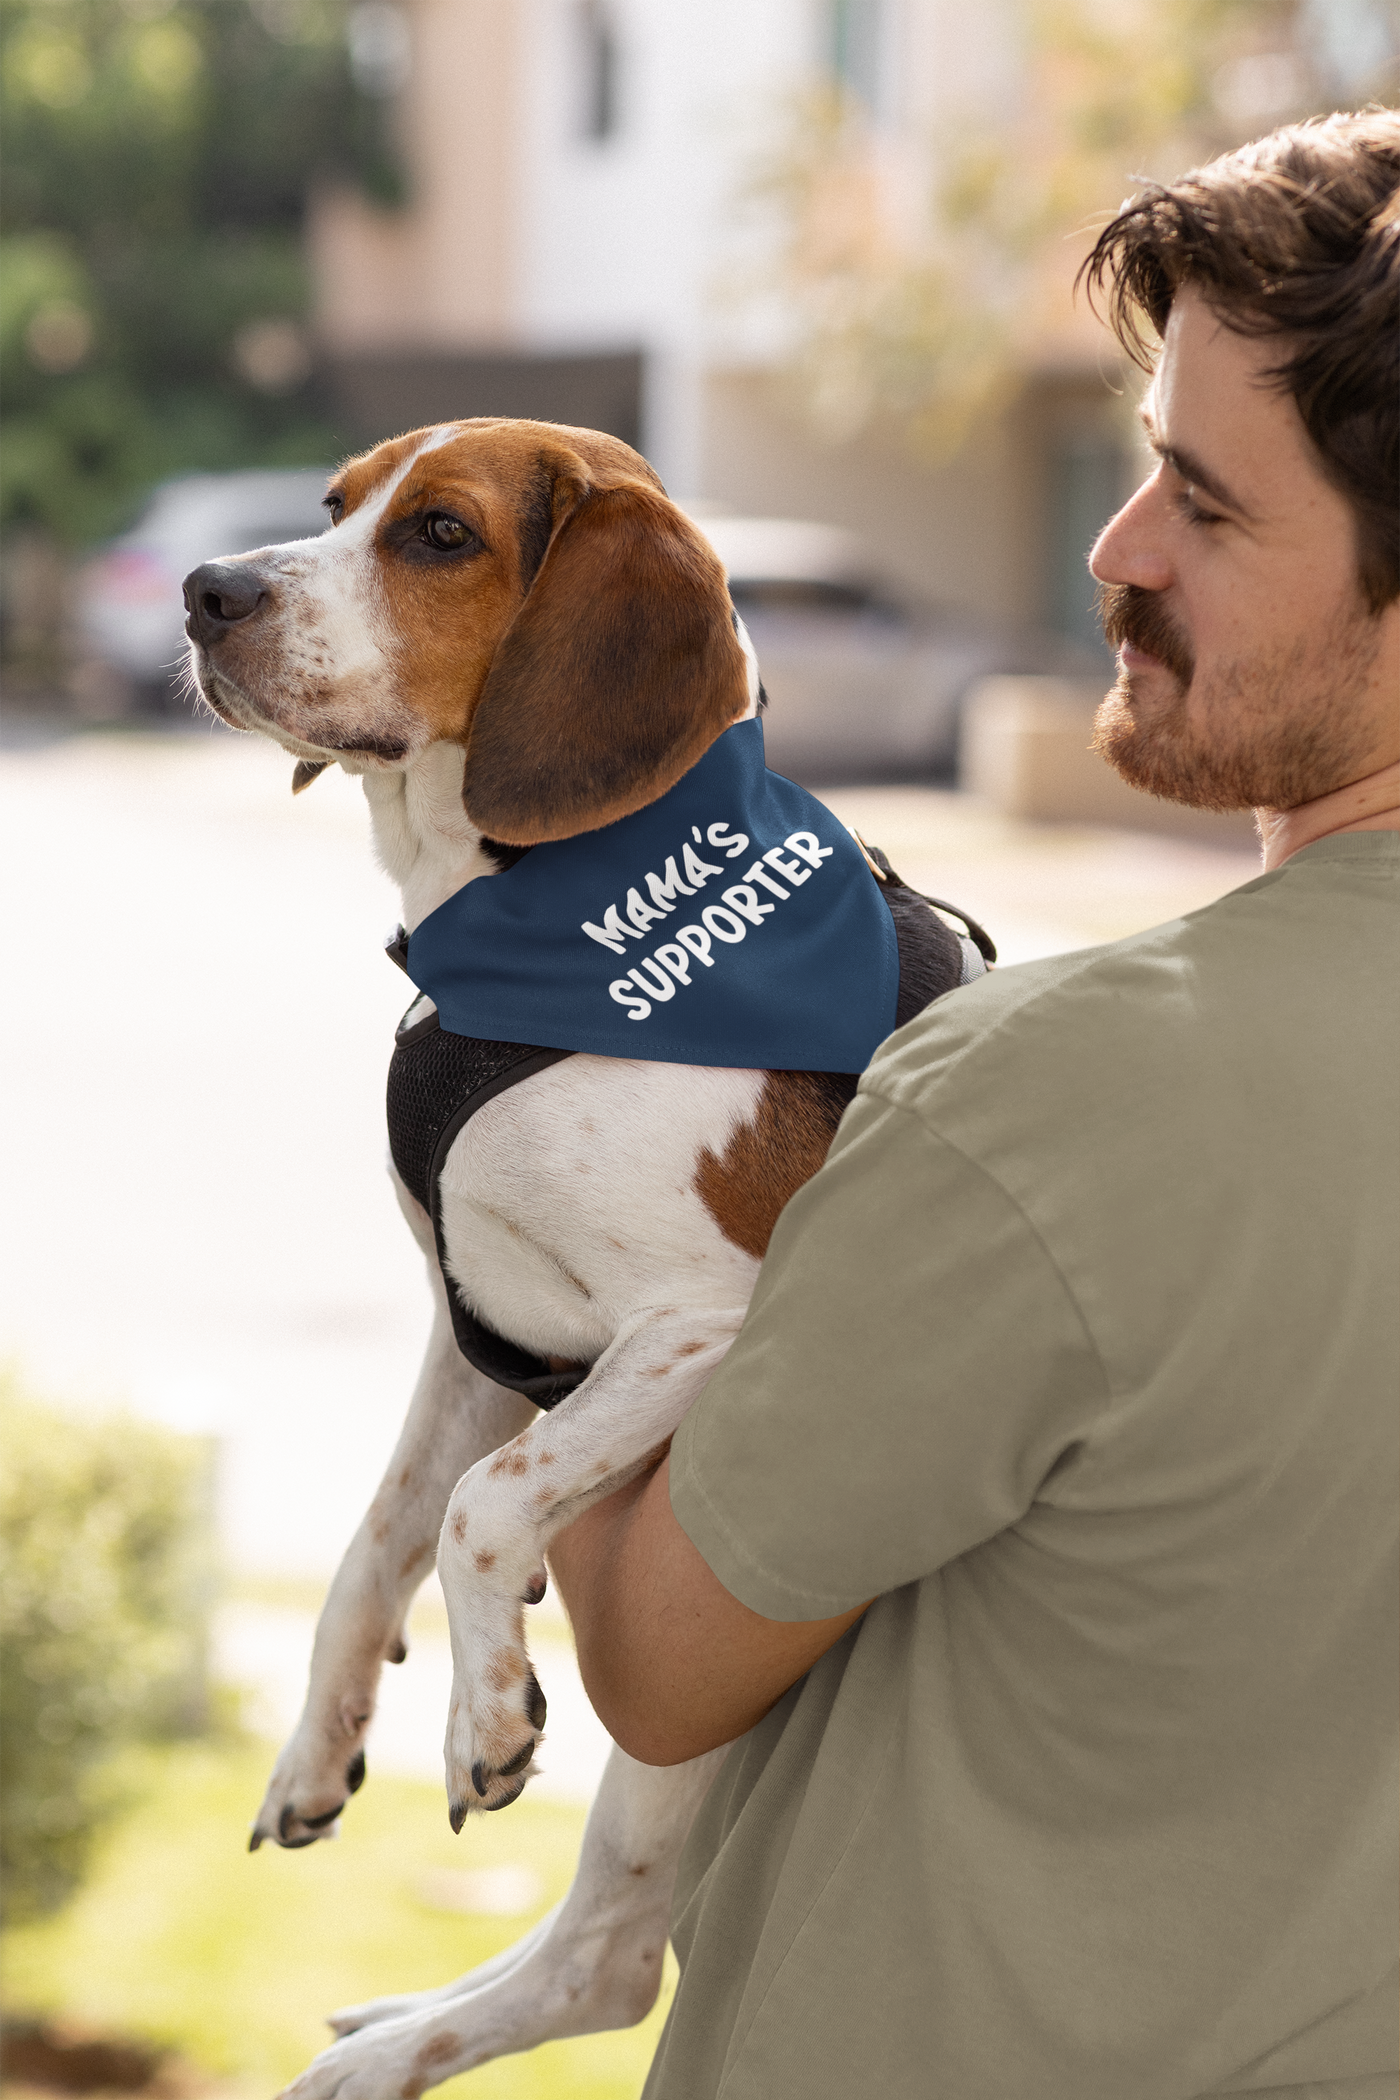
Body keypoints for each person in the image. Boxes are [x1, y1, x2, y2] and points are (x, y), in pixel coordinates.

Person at [549, 111, 1400, 2100]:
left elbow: (660, 1667)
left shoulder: (1063, 1102)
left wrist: (534, 1177)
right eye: (1137, 465)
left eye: (1202, 501)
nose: (1115, 551)